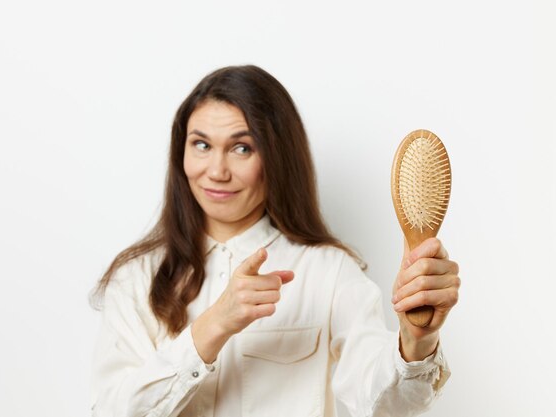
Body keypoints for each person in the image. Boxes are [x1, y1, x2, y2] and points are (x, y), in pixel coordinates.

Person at [90, 65, 460, 417]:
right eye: (201, 145)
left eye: (242, 148)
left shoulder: (328, 271)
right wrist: (213, 325)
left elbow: (385, 405)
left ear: (276, 157)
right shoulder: (136, 278)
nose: (216, 171)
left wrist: (416, 341)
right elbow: (112, 410)